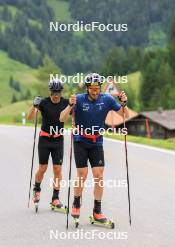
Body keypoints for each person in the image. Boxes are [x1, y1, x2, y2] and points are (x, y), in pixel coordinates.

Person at [60, 73, 129, 223]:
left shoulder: (107, 99)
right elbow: (62, 118)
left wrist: (124, 103)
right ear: (87, 88)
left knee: (98, 175)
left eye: (97, 88)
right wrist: (70, 106)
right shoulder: (78, 99)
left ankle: (97, 211)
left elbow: (125, 115)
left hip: (97, 141)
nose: (95, 91)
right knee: (82, 174)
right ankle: (76, 202)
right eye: (92, 88)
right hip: (80, 140)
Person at [27, 79, 72, 211]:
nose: (56, 94)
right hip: (45, 139)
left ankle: (55, 198)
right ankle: (36, 189)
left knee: (58, 170)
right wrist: (33, 106)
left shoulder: (65, 103)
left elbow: (74, 114)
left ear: (61, 92)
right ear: (50, 92)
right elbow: (30, 117)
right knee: (43, 168)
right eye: (53, 92)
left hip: (58, 140)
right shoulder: (44, 103)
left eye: (58, 92)